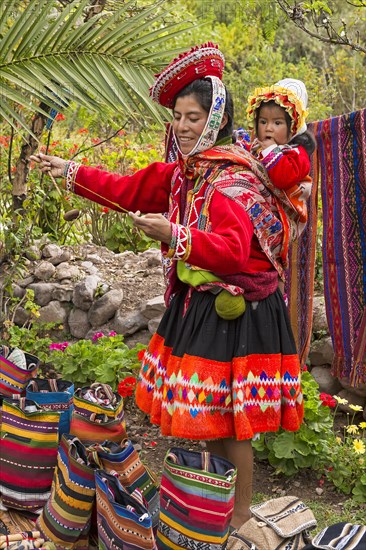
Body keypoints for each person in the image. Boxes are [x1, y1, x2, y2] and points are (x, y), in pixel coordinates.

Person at [31, 43, 304, 531]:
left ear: (214, 118)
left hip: (242, 309)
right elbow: (128, 189)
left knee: (234, 422)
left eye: (193, 116)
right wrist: (68, 172)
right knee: (209, 417)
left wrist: (174, 236)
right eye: (178, 116)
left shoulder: (229, 181)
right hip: (203, 304)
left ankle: (240, 521)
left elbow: (233, 251)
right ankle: (213, 513)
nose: (181, 126)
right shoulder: (184, 174)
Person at [244, 78, 316, 240]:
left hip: (280, 222)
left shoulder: (298, 154)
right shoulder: (263, 147)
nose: (268, 128)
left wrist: (269, 150)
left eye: (277, 122)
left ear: (293, 126)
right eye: (263, 121)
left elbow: (283, 179)